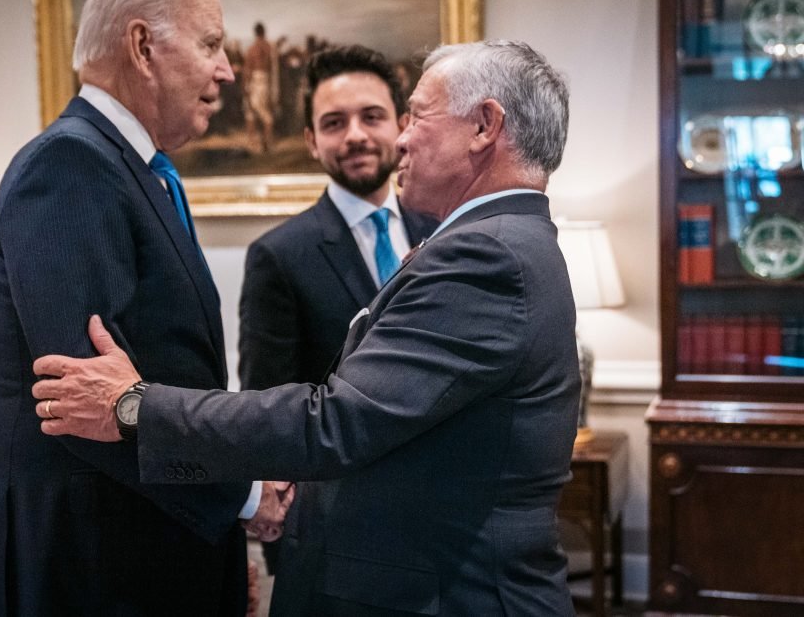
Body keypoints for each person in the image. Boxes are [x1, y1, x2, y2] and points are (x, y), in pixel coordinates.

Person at [33, 39, 581, 616]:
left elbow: (336, 421)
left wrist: (135, 407)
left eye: (415, 115)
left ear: (483, 126)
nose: (399, 138)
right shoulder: (503, 242)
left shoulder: (485, 256)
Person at [0, 0, 291, 617]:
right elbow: (81, 398)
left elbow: (162, 371)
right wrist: (239, 493)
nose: (227, 70)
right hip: (93, 569)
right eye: (211, 44)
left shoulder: (136, 168)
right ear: (143, 45)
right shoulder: (68, 165)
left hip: (151, 550)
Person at [238, 45, 437, 572]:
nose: (354, 135)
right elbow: (269, 404)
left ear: (400, 124)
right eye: (333, 122)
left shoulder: (445, 232)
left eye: (371, 116)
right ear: (311, 141)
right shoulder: (278, 257)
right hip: (334, 535)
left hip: (442, 521)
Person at [242, 22, 276, 152]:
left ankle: (256, 143)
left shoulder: (252, 49)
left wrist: (245, 86)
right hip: (265, 81)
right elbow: (272, 68)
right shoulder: (269, 47)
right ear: (264, 32)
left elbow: (247, 69)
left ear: (255, 33)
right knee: (259, 111)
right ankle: (265, 142)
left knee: (253, 112)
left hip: (255, 80)